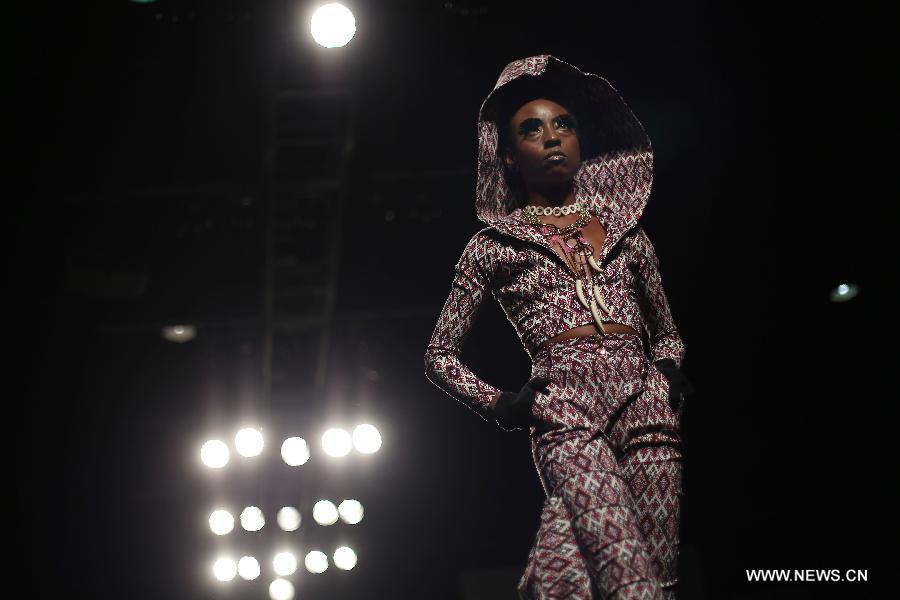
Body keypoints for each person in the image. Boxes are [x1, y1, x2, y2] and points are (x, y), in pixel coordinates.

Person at [423, 55, 694, 599]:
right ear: (506, 157)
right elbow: (438, 354)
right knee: (630, 577)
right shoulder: (492, 247)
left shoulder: (627, 234)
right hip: (567, 414)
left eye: (563, 125)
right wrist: (501, 403)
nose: (551, 137)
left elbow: (666, 331)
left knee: (634, 574)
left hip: (648, 408)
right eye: (531, 129)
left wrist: (666, 372)